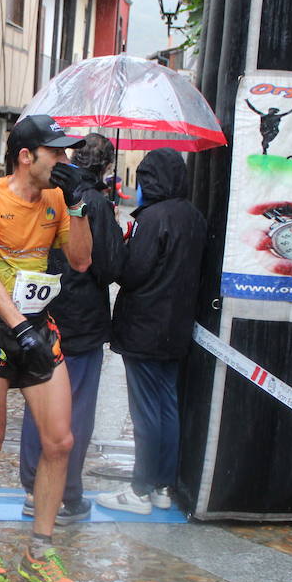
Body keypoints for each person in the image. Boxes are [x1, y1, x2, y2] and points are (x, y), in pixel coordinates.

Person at [0, 115, 92, 582]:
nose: (64, 160)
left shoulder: (57, 199)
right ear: (25, 156)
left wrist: (78, 207)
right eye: (56, 152)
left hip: (39, 327)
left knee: (60, 441)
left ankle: (39, 551)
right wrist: (16, 325)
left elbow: (81, 261)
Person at [18, 132, 124, 524]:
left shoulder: (44, 194)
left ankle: (34, 488)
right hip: (79, 323)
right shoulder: (92, 202)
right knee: (74, 409)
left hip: (39, 312)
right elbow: (111, 267)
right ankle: (64, 493)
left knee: (37, 403)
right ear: (107, 165)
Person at [97, 149, 206, 514]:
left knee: (144, 410)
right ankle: (162, 485)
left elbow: (132, 273)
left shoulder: (153, 218)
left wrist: (121, 244)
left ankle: (140, 489)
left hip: (144, 327)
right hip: (176, 328)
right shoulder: (194, 217)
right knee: (167, 405)